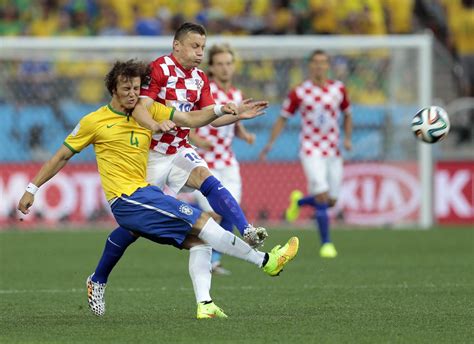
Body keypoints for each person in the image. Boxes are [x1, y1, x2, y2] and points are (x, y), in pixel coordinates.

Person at [17, 59, 299, 319]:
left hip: (146, 195)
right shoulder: (95, 121)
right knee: (203, 222)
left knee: (199, 241)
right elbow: (61, 156)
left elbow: (190, 119)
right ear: (112, 89)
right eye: (126, 88)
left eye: (137, 88)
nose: (132, 93)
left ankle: (205, 305)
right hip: (127, 199)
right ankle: (267, 261)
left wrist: (225, 112)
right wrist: (32, 188)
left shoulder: (147, 109)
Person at [131, 22, 268, 247]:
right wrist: (156, 124)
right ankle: (99, 275)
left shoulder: (200, 78)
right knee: (135, 226)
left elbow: (210, 118)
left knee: (207, 178)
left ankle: (247, 230)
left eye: (202, 47)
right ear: (176, 45)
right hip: (151, 152)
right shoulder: (159, 68)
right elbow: (141, 106)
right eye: (195, 46)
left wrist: (237, 115)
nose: (200, 53)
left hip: (179, 149)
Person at [259, 50, 352, 259]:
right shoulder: (299, 92)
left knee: (332, 201)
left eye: (323, 62)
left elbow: (347, 114)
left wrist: (347, 138)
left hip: (333, 149)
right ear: (310, 66)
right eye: (315, 63)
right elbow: (283, 117)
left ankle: (299, 202)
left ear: (328, 65)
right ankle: (326, 244)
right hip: (311, 149)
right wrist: (270, 143)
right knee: (321, 195)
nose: (319, 66)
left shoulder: (339, 89)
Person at [189, 43, 256, 275]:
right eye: (220, 64)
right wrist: (196, 139)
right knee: (216, 212)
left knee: (229, 209)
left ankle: (214, 260)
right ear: (212, 67)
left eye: (228, 63)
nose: (225, 68)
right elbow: (188, 120)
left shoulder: (236, 95)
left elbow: (234, 124)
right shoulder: (205, 93)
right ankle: (186, 215)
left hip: (228, 161)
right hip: (204, 162)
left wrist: (245, 135)